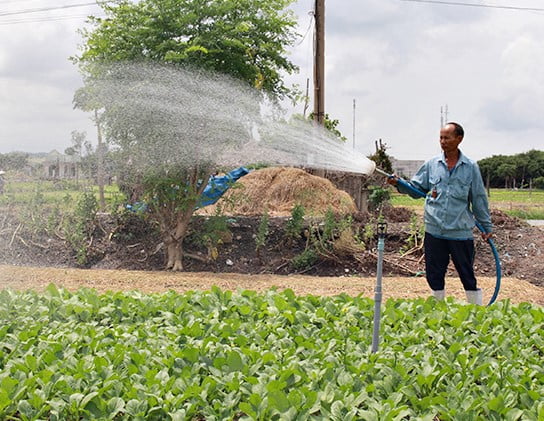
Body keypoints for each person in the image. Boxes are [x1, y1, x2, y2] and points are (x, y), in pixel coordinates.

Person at [387, 122, 492, 305]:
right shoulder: (432, 165)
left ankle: (476, 309)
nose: (442, 141)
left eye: (447, 138)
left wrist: (486, 226)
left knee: (466, 272)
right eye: (441, 138)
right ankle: (438, 309)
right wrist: (399, 184)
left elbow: (478, 198)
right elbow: (416, 189)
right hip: (434, 229)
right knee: (434, 273)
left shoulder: (470, 167)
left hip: (460, 230)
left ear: (459, 139)